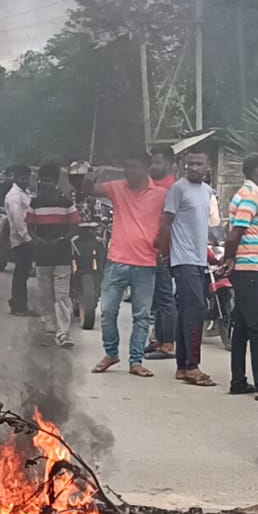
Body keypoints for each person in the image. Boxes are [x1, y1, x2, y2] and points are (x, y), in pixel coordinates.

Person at [92, 154, 168, 378]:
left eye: (134, 167)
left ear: (145, 168)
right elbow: (90, 189)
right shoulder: (117, 188)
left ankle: (136, 361)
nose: (129, 172)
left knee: (142, 316)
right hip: (117, 260)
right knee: (107, 311)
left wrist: (164, 247)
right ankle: (111, 353)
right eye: (127, 167)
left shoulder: (161, 195)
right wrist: (86, 177)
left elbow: (170, 222)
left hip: (146, 262)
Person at [220, 152, 258, 395]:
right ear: (256, 171)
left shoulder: (249, 194)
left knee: (242, 327)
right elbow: (235, 233)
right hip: (250, 270)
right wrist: (229, 257)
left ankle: (238, 381)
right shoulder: (251, 196)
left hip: (250, 268)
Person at [160, 151, 217, 386]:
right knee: (196, 309)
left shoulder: (207, 192)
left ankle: (183, 366)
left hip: (199, 259)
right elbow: (165, 224)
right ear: (184, 166)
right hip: (183, 260)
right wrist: (165, 254)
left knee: (186, 311)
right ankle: (193, 366)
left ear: (207, 166)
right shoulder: (178, 189)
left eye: (199, 163)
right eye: (190, 163)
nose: (194, 167)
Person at [26, 164, 79, 348]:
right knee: (46, 295)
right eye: (42, 180)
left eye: (48, 180)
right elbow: (30, 228)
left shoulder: (66, 203)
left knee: (62, 295)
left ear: (56, 181)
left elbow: (74, 226)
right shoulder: (35, 203)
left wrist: (63, 239)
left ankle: (63, 332)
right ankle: (50, 329)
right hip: (42, 256)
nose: (44, 184)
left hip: (62, 255)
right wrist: (36, 240)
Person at [146, 146, 177, 359]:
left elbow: (167, 223)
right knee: (157, 297)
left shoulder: (170, 189)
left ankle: (168, 344)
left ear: (170, 165)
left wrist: (162, 248)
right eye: (152, 162)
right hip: (150, 248)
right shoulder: (153, 186)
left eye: (158, 162)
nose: (153, 167)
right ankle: (158, 339)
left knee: (165, 296)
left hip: (163, 249)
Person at [4, 166, 36, 317]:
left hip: (25, 238)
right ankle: (19, 307)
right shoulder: (14, 196)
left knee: (22, 273)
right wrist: (28, 239)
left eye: (26, 177)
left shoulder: (25, 192)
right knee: (21, 274)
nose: (24, 180)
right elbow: (18, 221)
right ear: (15, 177)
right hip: (20, 240)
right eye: (21, 177)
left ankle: (17, 303)